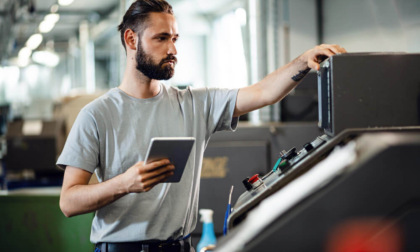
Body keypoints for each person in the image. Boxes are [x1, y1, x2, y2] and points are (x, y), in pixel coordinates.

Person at [57, 0, 347, 251]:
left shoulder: (196, 103)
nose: (173, 49)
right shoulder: (96, 115)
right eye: (161, 38)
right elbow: (69, 202)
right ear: (131, 40)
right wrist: (124, 183)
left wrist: (304, 61)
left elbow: (263, 93)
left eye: (175, 38)